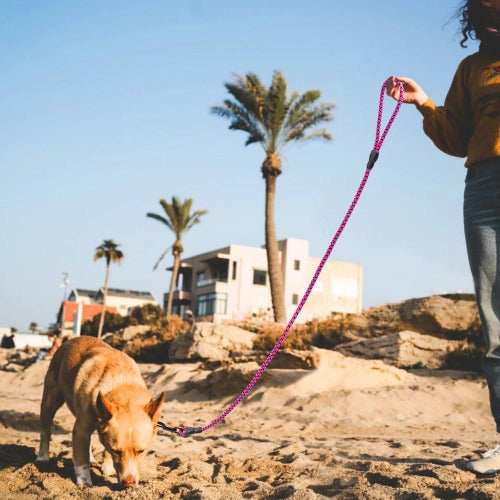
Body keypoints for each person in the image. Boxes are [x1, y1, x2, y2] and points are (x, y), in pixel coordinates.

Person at [386, 0, 500, 474]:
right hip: (484, 190)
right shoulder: (471, 68)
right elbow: (456, 139)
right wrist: (424, 104)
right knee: (495, 320)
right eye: (478, 10)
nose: (486, 17)